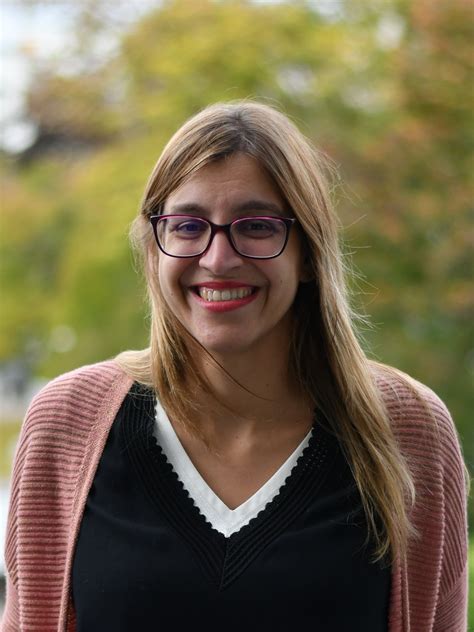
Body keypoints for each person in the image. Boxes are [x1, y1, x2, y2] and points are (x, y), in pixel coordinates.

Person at [1, 101, 469, 632]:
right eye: (186, 225)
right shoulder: (67, 425)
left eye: (257, 226)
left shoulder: (409, 430)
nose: (218, 258)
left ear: (310, 253)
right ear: (155, 249)